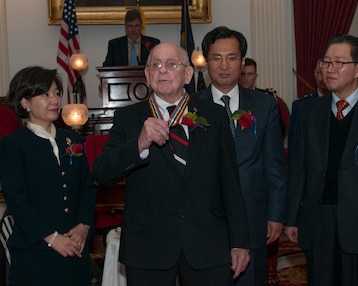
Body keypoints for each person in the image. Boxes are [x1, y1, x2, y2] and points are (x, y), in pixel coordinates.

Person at [92, 42, 250, 286]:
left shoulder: (215, 116)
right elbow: (102, 173)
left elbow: (230, 182)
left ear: (188, 74)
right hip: (149, 247)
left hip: (207, 243)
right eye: (155, 65)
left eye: (171, 64)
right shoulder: (129, 118)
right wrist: (139, 145)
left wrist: (239, 241)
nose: (162, 70)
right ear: (147, 75)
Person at [284, 34, 358, 286]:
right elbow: (298, 170)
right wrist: (292, 217)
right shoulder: (308, 111)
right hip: (317, 220)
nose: (329, 69)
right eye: (326, 62)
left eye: (338, 63)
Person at [193, 26, 288, 286]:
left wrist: (277, 215)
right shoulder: (190, 107)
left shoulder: (265, 105)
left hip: (253, 218)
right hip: (204, 222)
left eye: (232, 57)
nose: (224, 65)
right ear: (206, 62)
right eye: (216, 57)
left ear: (242, 61)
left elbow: (275, 166)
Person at [0, 66, 96, 285]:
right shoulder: (13, 144)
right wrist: (52, 238)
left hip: (75, 248)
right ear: (25, 102)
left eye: (57, 93)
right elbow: (17, 198)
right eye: (45, 94)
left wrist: (83, 226)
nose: (54, 100)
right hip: (35, 251)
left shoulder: (72, 140)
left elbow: (87, 189)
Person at [239, 57, 290, 140]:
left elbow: (280, 129)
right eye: (243, 74)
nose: (246, 78)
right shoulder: (230, 98)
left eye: (250, 74)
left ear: (255, 76)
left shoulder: (267, 98)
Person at [287, 60, 331, 149]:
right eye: (320, 73)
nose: (323, 78)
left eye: (327, 74)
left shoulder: (343, 104)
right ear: (315, 74)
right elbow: (294, 144)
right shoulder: (300, 106)